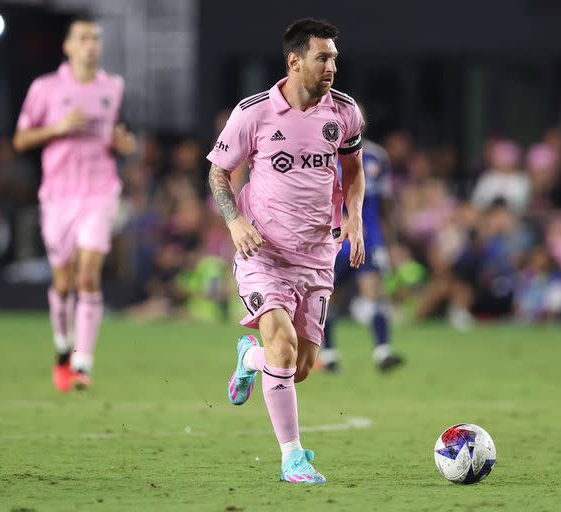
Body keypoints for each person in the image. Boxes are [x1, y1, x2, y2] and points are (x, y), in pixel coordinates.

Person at [207, 19, 365, 484]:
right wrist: (234, 221)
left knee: (298, 368)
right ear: (295, 62)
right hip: (263, 251)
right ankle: (292, 458)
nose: (333, 64)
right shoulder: (254, 113)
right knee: (281, 343)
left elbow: (354, 171)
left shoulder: (345, 112)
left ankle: (247, 359)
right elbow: (218, 173)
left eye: (334, 56)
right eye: (324, 56)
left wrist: (353, 215)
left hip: (318, 253)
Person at [12, 16, 136, 392]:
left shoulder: (113, 87)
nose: (91, 45)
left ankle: (83, 362)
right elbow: (20, 139)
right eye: (83, 38)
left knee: (87, 275)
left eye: (95, 38)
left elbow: (121, 138)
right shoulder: (46, 87)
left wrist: (122, 144)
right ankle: (63, 348)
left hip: (99, 192)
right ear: (68, 46)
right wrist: (57, 128)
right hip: (58, 196)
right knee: (63, 282)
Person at [319, 137, 404, 372]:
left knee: (373, 290)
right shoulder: (323, 153)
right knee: (328, 296)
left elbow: (386, 203)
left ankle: (383, 352)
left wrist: (391, 243)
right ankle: (329, 354)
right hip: (337, 237)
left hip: (370, 237)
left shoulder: (376, 155)